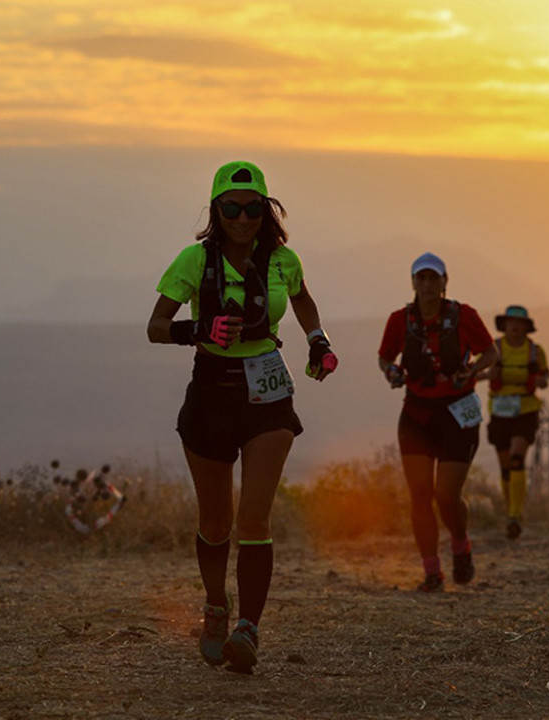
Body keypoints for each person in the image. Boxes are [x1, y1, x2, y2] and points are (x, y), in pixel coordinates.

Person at [147, 161, 338, 673]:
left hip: (267, 395)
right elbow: (156, 327)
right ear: (216, 210)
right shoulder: (193, 261)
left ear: (265, 210)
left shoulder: (282, 260)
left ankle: (248, 630)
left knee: (254, 516)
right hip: (210, 393)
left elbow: (302, 302)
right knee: (216, 520)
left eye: (253, 207)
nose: (243, 217)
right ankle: (215, 605)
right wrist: (199, 330)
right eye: (231, 207)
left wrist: (318, 342)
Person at [377, 253, 498, 591]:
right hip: (416, 414)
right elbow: (385, 356)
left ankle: (461, 545)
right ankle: (432, 573)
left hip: (457, 414)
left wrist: (472, 370)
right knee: (419, 495)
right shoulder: (400, 320)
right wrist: (391, 371)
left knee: (446, 495)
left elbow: (490, 353)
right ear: (413, 283)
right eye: (422, 278)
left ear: (445, 282)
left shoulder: (464, 316)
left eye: (434, 278)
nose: (428, 285)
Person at [478, 305, 549, 540]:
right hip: (499, 410)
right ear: (504, 325)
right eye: (511, 323)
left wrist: (540, 381)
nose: (515, 327)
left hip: (526, 409)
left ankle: (514, 516)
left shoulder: (535, 352)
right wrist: (490, 375)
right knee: (506, 465)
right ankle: (512, 512)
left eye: (519, 324)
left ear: (527, 327)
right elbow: (475, 372)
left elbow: (545, 376)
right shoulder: (494, 349)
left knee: (517, 458)